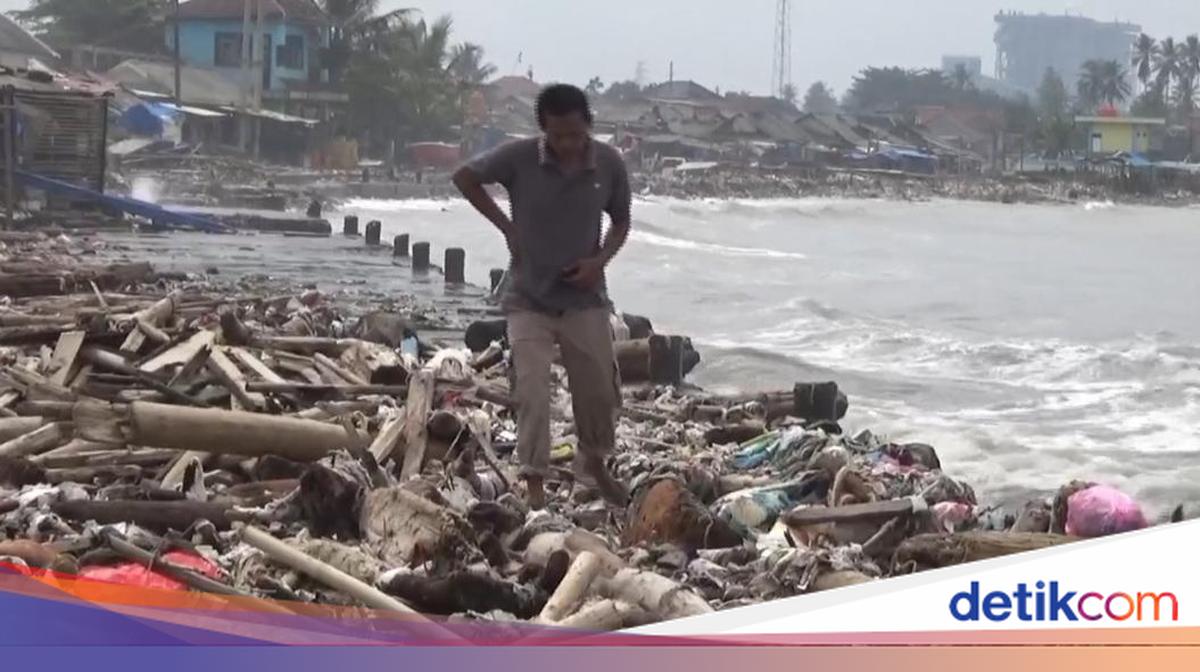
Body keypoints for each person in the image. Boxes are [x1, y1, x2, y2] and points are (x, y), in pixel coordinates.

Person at [452, 84, 632, 510]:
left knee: (598, 392)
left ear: (589, 126)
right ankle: (534, 486)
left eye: (575, 135)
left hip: (584, 299)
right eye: (558, 137)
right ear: (543, 132)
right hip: (528, 298)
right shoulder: (519, 157)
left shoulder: (608, 163)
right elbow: (465, 178)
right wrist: (507, 228)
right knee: (531, 392)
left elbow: (622, 221)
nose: (568, 145)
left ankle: (596, 462)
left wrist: (599, 261)